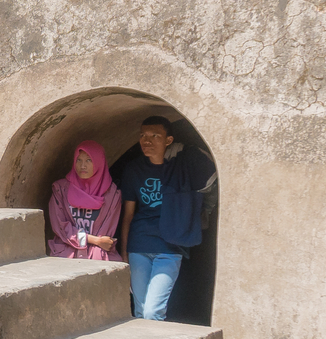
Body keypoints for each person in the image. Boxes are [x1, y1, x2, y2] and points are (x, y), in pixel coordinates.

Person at [118, 115, 209, 319]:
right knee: (140, 310)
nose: (146, 141)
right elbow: (128, 215)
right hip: (139, 245)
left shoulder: (181, 168)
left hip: (170, 247)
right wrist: (124, 253)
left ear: (169, 140)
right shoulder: (134, 169)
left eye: (154, 136)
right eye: (143, 135)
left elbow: (209, 177)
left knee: (153, 311)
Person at [47, 141, 121, 260]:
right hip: (66, 255)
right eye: (79, 160)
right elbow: (61, 228)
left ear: (99, 162)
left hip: (97, 256)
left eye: (89, 160)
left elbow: (106, 236)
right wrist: (94, 240)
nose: (83, 166)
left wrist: (95, 243)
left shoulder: (112, 194)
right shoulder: (60, 190)